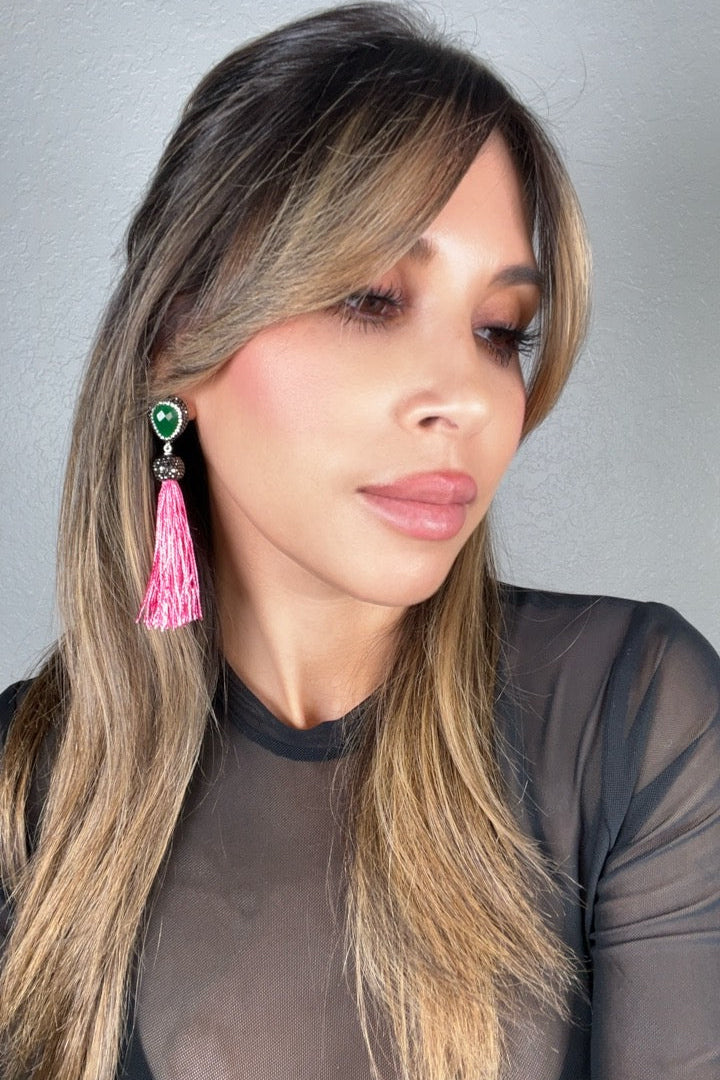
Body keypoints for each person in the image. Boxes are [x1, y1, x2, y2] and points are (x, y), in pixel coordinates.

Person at [0, 3, 718, 1078]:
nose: (465, 398)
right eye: (372, 300)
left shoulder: (630, 716)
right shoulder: (27, 798)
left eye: (500, 332)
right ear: (177, 342)